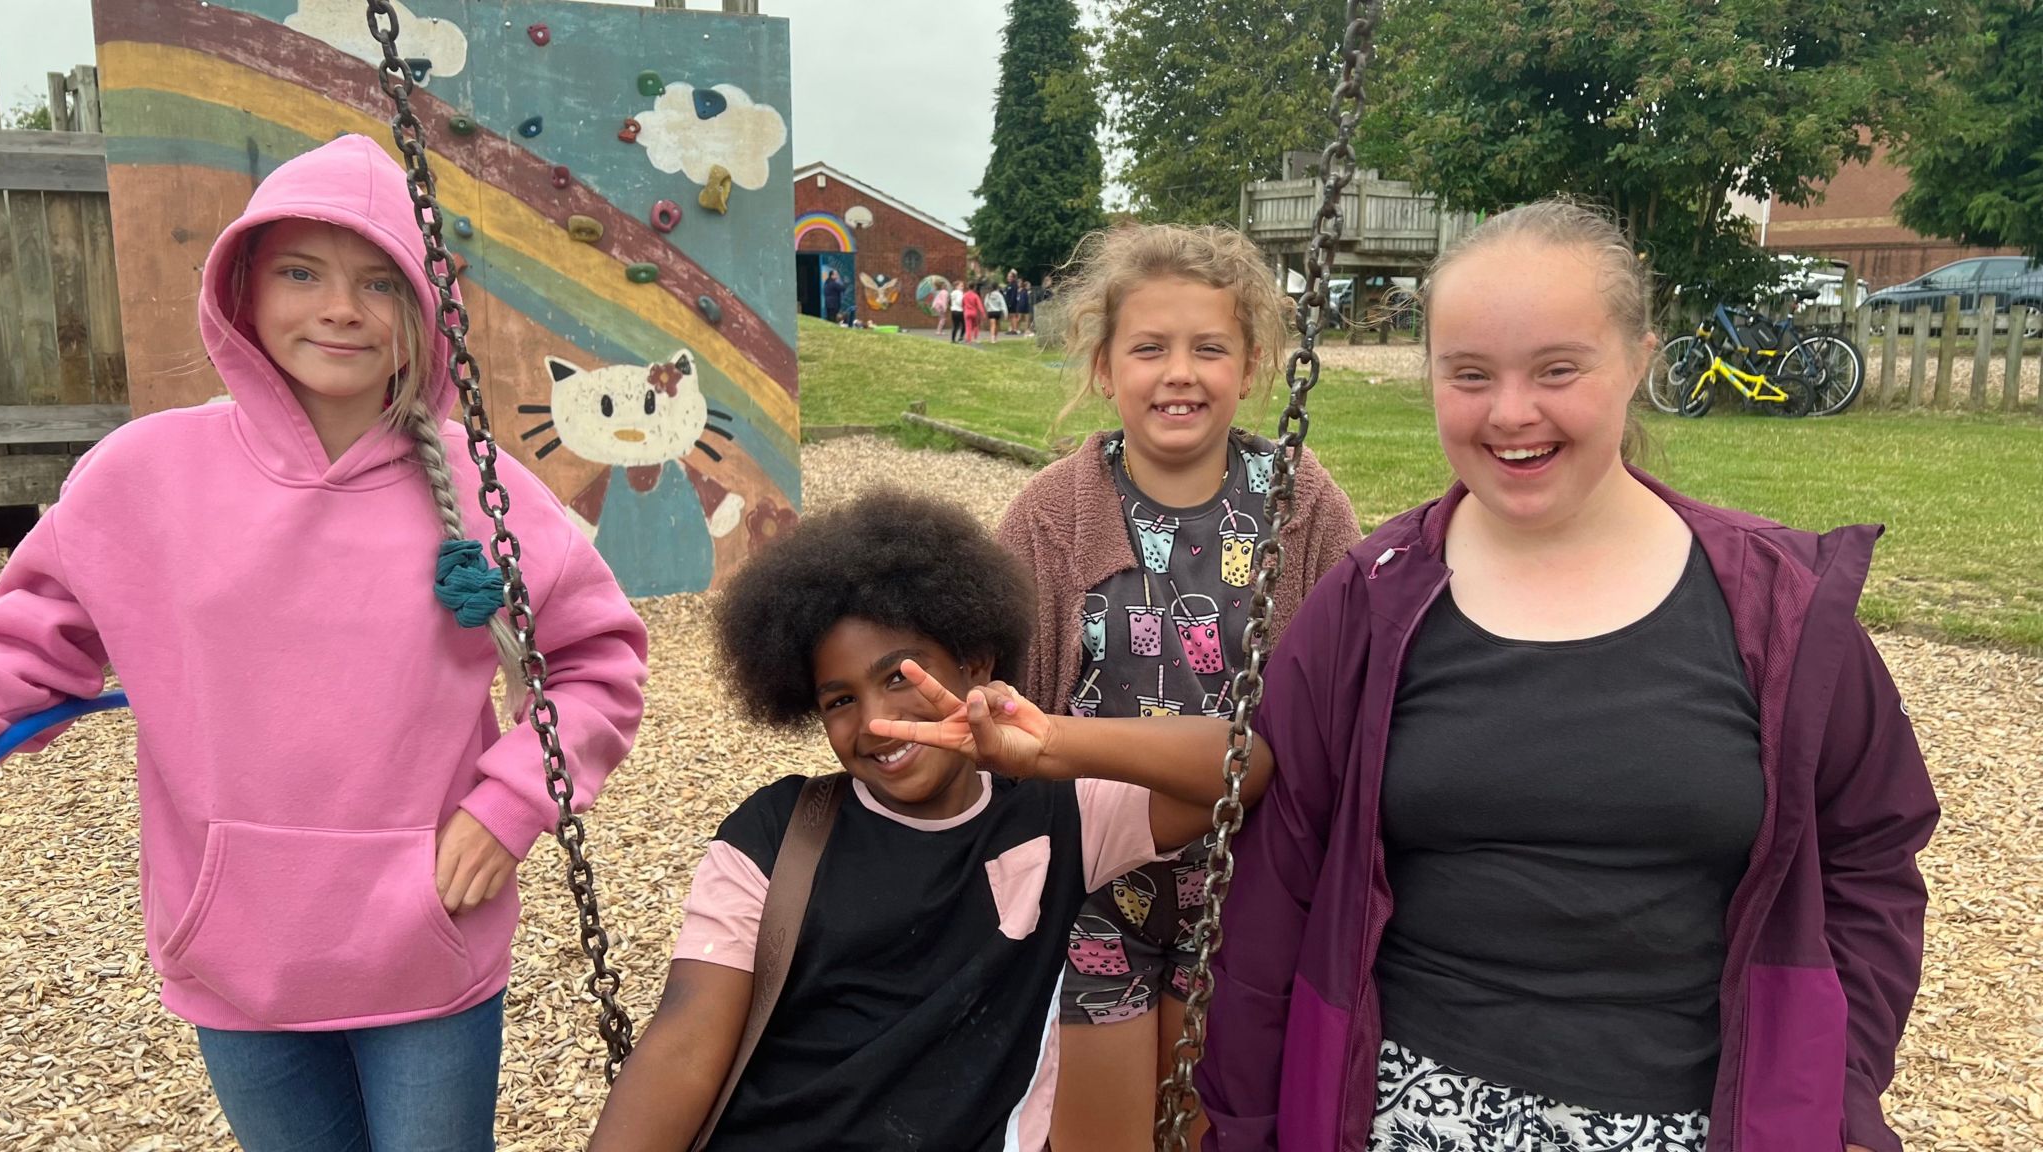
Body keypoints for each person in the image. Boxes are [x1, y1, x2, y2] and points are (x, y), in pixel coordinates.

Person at [1185, 200, 1937, 1152]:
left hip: (1695, 1116)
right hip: (1405, 1111)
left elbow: (1871, 852)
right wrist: (1247, 1128)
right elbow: (1275, 884)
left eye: (1557, 370)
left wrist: (1835, 1078)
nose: (1511, 413)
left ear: (1637, 361)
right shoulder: (1370, 605)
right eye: (1470, 375)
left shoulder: (1774, 610)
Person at [0, 135, 650, 1149]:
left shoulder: (487, 491)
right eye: (302, 272)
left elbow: (600, 662)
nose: (339, 308)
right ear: (244, 288)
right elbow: (27, 648)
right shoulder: (141, 476)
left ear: (426, 312)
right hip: (235, 951)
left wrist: (510, 804)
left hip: (427, 937)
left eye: (378, 282)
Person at [587, 491, 1275, 1151]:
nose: (876, 723)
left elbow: (1244, 767)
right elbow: (682, 1045)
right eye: (838, 701)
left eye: (898, 678)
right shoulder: (776, 836)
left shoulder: (1057, 816)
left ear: (973, 662)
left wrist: (1053, 745)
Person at [995, 222, 1361, 1152]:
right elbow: (1004, 694)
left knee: (1208, 1134)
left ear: (1251, 366)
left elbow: (1338, 692)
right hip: (1091, 888)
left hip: (1248, 893)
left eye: (1210, 348)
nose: (1179, 374)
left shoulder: (1300, 501)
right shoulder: (1052, 513)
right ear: (1106, 366)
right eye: (1149, 348)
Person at [950, 276, 968, 343]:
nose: (962, 287)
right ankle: (961, 337)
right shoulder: (960, 293)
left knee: (955, 326)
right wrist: (963, 305)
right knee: (964, 325)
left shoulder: (952, 293)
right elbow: (959, 301)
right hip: (959, 311)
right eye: (961, 286)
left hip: (953, 311)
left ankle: (953, 339)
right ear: (956, 286)